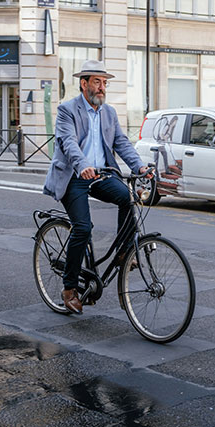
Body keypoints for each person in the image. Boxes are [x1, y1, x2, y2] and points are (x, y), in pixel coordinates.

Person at [43, 59, 152, 315]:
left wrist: (139, 167)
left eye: (105, 83)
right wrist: (82, 165)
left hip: (101, 175)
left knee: (128, 197)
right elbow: (68, 142)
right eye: (97, 82)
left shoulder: (109, 113)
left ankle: (125, 252)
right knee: (83, 228)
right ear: (84, 84)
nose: (102, 87)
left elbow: (122, 144)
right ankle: (69, 288)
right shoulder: (67, 110)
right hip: (74, 176)